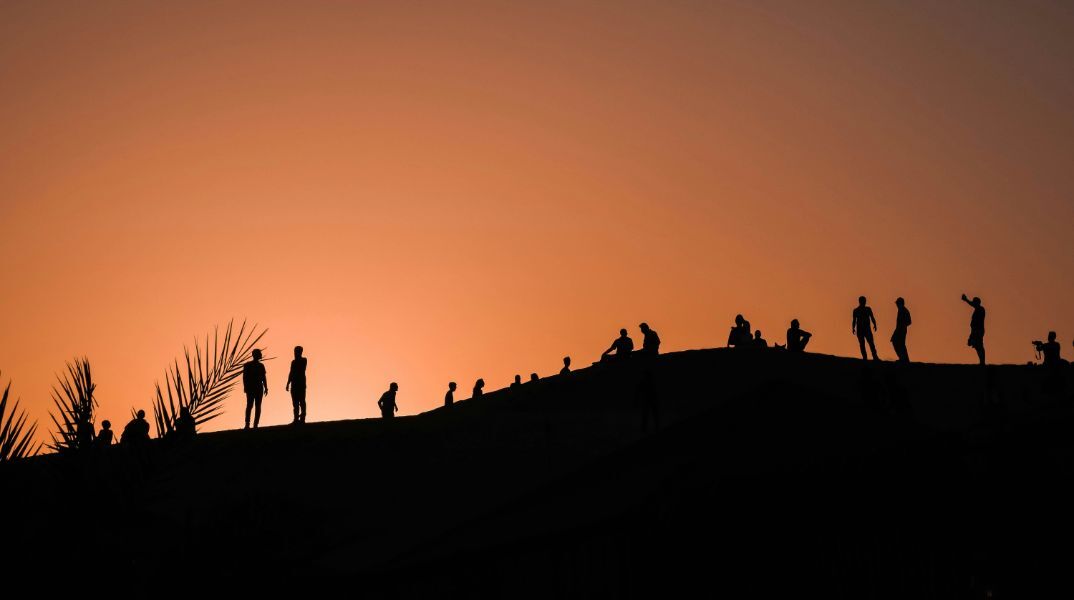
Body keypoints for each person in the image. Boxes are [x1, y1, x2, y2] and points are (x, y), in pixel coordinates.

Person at [242, 349, 268, 429]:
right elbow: (245, 377)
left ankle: (255, 424)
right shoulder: (248, 365)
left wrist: (266, 387)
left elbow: (263, 377)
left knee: (256, 406)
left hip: (258, 388)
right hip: (252, 388)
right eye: (260, 353)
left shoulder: (260, 366)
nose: (261, 355)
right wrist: (245, 387)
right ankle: (248, 423)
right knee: (251, 406)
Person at [961, 294, 986, 365]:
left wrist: (966, 300)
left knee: (979, 346)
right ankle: (981, 362)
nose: (973, 304)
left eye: (974, 302)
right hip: (975, 330)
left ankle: (982, 362)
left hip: (978, 330)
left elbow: (977, 322)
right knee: (977, 346)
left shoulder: (981, 309)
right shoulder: (977, 309)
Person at [852, 296, 879, 361]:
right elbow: (854, 320)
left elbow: (872, 317)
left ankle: (873, 357)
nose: (864, 302)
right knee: (864, 344)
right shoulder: (857, 310)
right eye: (863, 301)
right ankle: (866, 357)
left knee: (870, 343)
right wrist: (853, 328)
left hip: (865, 329)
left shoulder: (867, 309)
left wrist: (875, 324)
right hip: (862, 330)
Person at [286, 346, 307, 424]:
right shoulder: (293, 362)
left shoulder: (303, 360)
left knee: (301, 401)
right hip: (294, 384)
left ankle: (302, 418)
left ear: (300, 352)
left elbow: (301, 370)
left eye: (296, 351)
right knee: (295, 403)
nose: (295, 353)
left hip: (300, 384)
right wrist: (288, 383)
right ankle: (296, 419)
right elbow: (291, 372)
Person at [891, 298, 912, 363]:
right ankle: (903, 359)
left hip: (901, 330)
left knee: (900, 344)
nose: (896, 305)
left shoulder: (904, 310)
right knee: (897, 343)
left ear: (900, 303)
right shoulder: (901, 310)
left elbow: (909, 321)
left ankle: (904, 359)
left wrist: (902, 325)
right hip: (899, 329)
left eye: (897, 303)